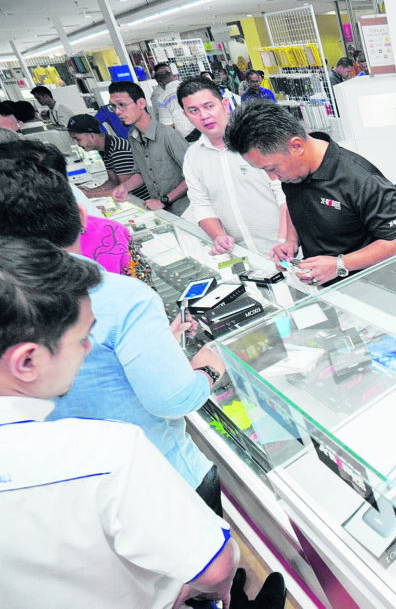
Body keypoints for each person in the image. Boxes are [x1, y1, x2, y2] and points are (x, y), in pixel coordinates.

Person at [0, 235, 239, 608]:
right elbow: (215, 568)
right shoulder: (109, 453)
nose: (89, 349)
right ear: (27, 361)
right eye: (82, 339)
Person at [0, 145, 228, 515]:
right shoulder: (121, 297)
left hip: (65, 497)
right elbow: (173, 400)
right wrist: (209, 368)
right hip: (160, 481)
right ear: (81, 215)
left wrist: (156, 344)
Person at [225, 100, 396, 287]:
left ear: (296, 146)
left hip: (379, 290)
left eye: (272, 168)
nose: (273, 178)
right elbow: (297, 204)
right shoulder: (293, 173)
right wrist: (291, 241)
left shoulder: (361, 179)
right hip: (328, 289)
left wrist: (340, 265)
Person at [178, 76, 295, 257]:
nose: (204, 116)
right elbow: (201, 205)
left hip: (286, 249)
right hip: (241, 255)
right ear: (186, 115)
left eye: (209, 106)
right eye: (193, 111)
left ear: (224, 105)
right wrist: (219, 236)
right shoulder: (193, 157)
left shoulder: (257, 140)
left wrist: (283, 241)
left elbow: (286, 195)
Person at [108, 80, 190, 215]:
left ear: (141, 103)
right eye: (113, 106)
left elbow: (194, 176)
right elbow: (141, 172)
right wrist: (124, 187)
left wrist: (164, 200)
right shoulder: (133, 136)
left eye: (122, 105)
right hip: (162, 211)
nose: (117, 111)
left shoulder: (168, 135)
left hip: (186, 210)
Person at [66, 113, 144, 201]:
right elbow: (113, 181)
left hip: (141, 200)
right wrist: (90, 191)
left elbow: (124, 189)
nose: (76, 143)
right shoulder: (105, 148)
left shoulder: (118, 149)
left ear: (92, 136)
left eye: (77, 139)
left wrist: (90, 195)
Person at [152, 66, 199, 141]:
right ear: (172, 76)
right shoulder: (191, 86)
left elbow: (168, 127)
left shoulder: (163, 99)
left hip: (188, 138)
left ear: (161, 83)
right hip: (205, 129)